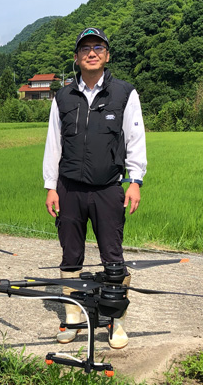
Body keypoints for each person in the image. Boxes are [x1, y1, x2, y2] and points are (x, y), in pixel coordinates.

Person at [43, 27, 147, 347]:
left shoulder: (124, 93)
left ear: (107, 55)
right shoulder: (63, 96)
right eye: (85, 48)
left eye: (98, 48)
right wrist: (51, 186)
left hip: (108, 188)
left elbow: (135, 138)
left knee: (112, 256)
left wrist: (135, 181)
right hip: (70, 188)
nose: (91, 53)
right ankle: (73, 319)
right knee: (70, 256)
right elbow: (54, 143)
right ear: (76, 57)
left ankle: (116, 321)